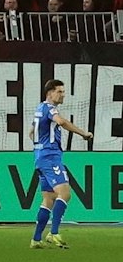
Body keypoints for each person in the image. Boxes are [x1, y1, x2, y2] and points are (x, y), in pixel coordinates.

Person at [31, 78, 94, 249]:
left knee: (49, 198)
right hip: (50, 157)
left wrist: (40, 146)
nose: (63, 95)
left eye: (63, 91)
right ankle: (54, 232)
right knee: (65, 193)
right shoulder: (50, 109)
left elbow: (31, 133)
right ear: (50, 93)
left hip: (40, 157)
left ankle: (36, 239)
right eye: (59, 91)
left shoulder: (39, 108)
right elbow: (61, 122)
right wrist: (83, 133)